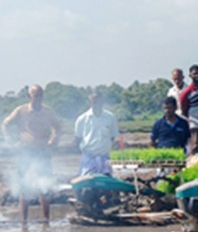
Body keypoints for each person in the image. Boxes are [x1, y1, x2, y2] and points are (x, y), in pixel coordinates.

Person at [2, 84, 61, 223]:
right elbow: (5, 124)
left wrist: (54, 141)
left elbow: (58, 127)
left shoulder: (48, 111)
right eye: (35, 96)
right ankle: (24, 222)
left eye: (40, 96)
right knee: (25, 187)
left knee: (45, 187)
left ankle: (46, 221)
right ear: (30, 97)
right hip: (26, 152)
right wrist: (11, 140)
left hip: (43, 152)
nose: (38, 99)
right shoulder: (21, 111)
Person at [74, 89, 119, 176]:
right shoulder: (82, 119)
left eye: (99, 102)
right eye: (94, 102)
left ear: (102, 102)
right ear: (90, 102)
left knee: (106, 182)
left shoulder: (110, 117)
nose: (97, 105)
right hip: (88, 157)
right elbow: (77, 139)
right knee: (88, 183)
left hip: (105, 157)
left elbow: (113, 136)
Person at [180, 64, 198, 154]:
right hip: (195, 124)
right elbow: (184, 110)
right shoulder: (186, 93)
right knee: (195, 147)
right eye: (195, 74)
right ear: (190, 76)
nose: (197, 76)